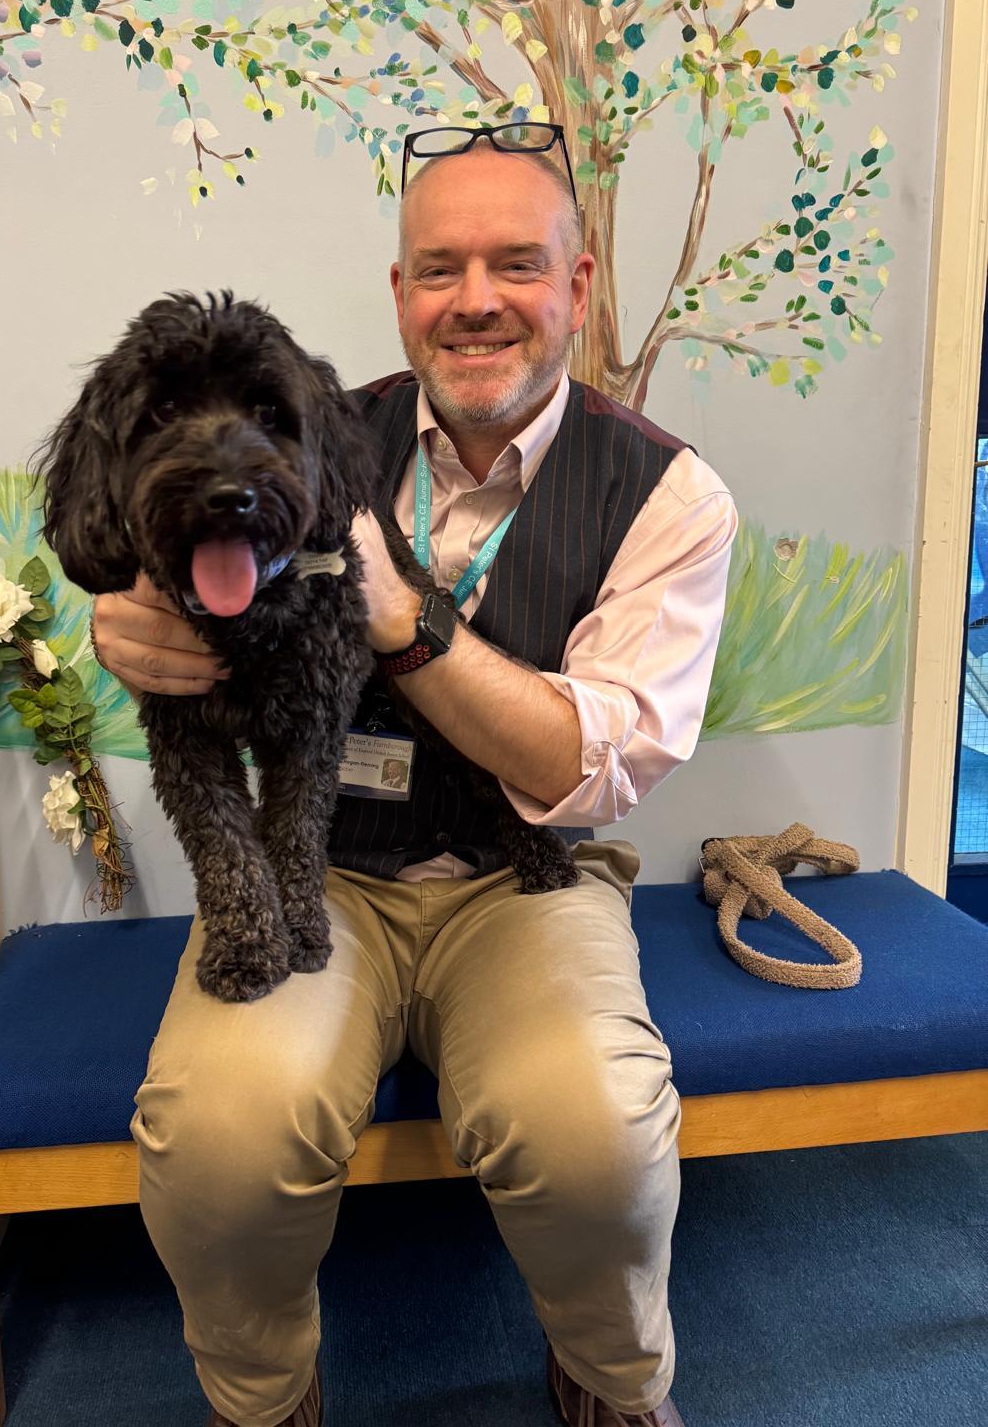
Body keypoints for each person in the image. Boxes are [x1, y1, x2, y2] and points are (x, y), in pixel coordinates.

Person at [91, 126, 738, 1427]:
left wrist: (409, 618)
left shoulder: (669, 496)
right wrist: (126, 624)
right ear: (401, 293)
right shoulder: (298, 421)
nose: (478, 298)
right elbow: (151, 561)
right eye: (441, 267)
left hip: (526, 878)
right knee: (219, 1135)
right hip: (318, 868)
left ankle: (611, 1384)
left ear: (579, 282)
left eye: (516, 263)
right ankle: (267, 1401)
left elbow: (592, 758)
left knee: (593, 1137)